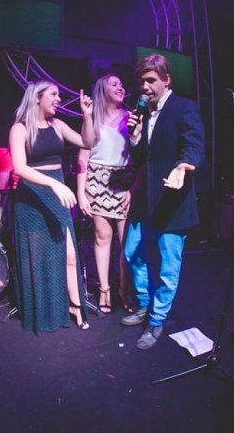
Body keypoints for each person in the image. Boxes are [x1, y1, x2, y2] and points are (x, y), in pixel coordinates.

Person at [119, 53, 205, 350]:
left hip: (172, 201)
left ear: (167, 80)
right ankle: (145, 304)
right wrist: (134, 136)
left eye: (151, 80)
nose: (144, 86)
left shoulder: (184, 108)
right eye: (141, 81)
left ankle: (157, 320)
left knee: (169, 268)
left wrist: (184, 166)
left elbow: (194, 144)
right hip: (146, 199)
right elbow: (143, 157)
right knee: (132, 253)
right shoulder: (144, 112)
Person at [8, 81, 94, 332]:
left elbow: (87, 142)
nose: (59, 99)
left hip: (58, 193)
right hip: (33, 196)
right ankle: (44, 310)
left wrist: (87, 116)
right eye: (53, 94)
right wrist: (53, 184)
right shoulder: (20, 128)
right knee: (39, 257)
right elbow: (19, 167)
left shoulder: (58, 125)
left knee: (69, 254)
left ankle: (75, 305)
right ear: (37, 97)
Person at [76, 73, 137, 314]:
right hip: (96, 180)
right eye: (114, 84)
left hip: (122, 180)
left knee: (126, 242)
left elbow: (139, 154)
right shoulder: (93, 118)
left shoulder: (130, 117)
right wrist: (81, 193)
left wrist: (133, 187)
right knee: (102, 236)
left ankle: (124, 288)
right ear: (103, 89)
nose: (121, 87)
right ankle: (105, 289)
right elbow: (83, 156)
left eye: (121, 84)